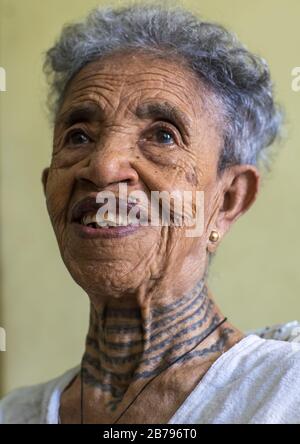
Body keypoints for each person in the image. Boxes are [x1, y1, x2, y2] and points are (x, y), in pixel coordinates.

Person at [1, 3, 299, 424]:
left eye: (163, 135)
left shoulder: (285, 393)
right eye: (79, 135)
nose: (102, 167)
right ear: (50, 186)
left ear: (229, 199)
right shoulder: (15, 414)